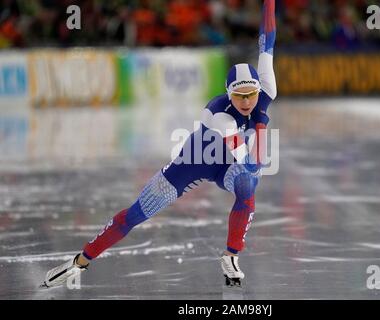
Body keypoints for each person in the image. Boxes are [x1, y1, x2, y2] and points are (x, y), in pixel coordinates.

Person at [42, 0, 277, 288]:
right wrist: (262, 122)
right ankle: (80, 260)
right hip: (194, 161)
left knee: (247, 187)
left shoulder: (267, 88)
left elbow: (267, 40)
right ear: (228, 94)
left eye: (251, 95)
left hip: (226, 164)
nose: (246, 101)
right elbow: (251, 159)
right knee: (135, 215)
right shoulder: (220, 115)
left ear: (258, 89)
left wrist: (269, 3)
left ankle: (231, 255)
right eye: (238, 96)